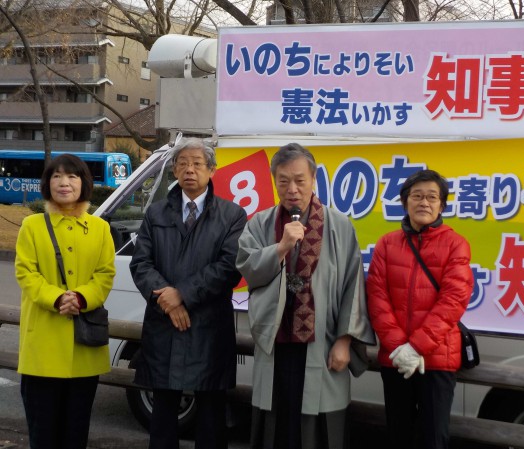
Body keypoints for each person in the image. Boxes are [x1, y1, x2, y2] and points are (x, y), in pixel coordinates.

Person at [236, 142, 375, 449]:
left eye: (300, 180)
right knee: (277, 421)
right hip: (275, 339)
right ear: (275, 182)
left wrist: (345, 340)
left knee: (317, 424)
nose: (292, 189)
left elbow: (354, 285)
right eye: (283, 181)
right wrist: (281, 247)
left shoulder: (339, 225)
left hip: (323, 342)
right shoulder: (260, 223)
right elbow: (248, 268)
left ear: (314, 179)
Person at [129, 137, 247, 449]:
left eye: (197, 163)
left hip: (208, 327)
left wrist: (181, 294)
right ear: (174, 171)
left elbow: (229, 267)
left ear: (212, 170)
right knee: (163, 415)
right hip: (164, 325)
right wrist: (167, 301)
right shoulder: (156, 214)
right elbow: (141, 263)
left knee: (210, 417)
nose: (189, 170)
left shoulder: (232, 215)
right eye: (182, 163)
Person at [366, 169, 474, 449]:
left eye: (431, 197)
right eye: (417, 196)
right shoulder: (387, 244)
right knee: (398, 434)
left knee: (433, 437)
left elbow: (454, 300)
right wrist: (399, 347)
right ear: (405, 202)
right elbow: (377, 297)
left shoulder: (456, 244)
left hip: (437, 359)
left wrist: (416, 347)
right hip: (396, 359)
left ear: (441, 205)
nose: (424, 202)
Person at [15, 154, 116, 449]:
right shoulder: (32, 225)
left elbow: (105, 274)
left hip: (83, 350)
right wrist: (57, 297)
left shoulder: (100, 229)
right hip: (42, 349)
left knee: (76, 434)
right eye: (57, 176)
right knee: (42, 433)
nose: (64, 183)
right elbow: (26, 272)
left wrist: (82, 298)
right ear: (47, 183)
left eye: (72, 176)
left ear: (84, 183)